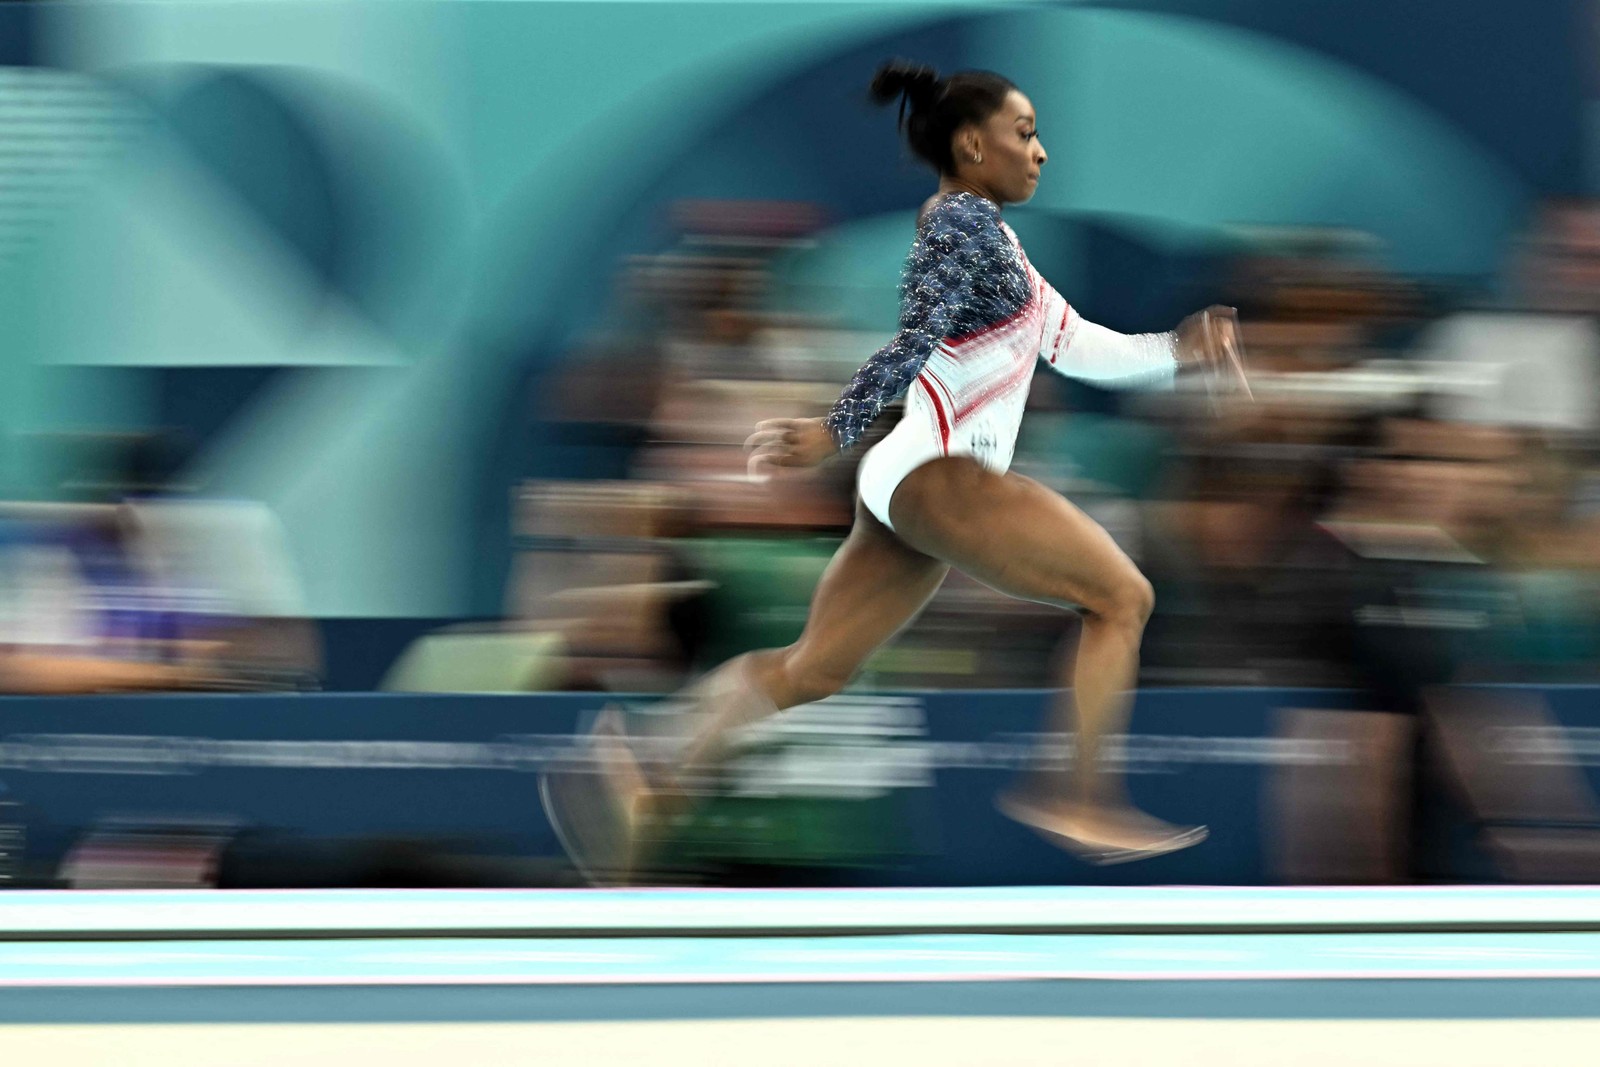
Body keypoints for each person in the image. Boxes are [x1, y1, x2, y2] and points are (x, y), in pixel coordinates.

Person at [544, 60, 1248, 878]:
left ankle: (652, 769)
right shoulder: (964, 227)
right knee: (1123, 597)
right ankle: (1077, 791)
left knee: (816, 667)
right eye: (1025, 135)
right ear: (972, 144)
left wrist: (1178, 350)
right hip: (938, 474)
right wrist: (829, 429)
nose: (1042, 152)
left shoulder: (995, 242)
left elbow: (1078, 345)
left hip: (909, 480)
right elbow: (914, 340)